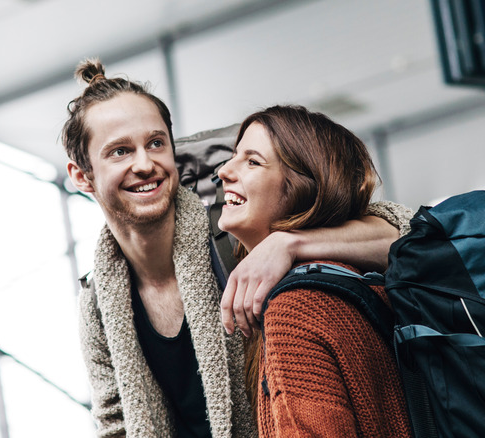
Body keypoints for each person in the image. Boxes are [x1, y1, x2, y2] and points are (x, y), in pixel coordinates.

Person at [62, 59, 412, 438]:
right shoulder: (99, 303)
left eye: (156, 143)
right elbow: (115, 422)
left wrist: (289, 243)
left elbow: (407, 232)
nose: (145, 164)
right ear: (82, 176)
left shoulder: (235, 232)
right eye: (120, 152)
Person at [217, 105, 414, 437]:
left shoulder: (295, 309)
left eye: (253, 161)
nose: (224, 171)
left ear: (300, 189)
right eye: (234, 156)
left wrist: (287, 243)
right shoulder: (362, 283)